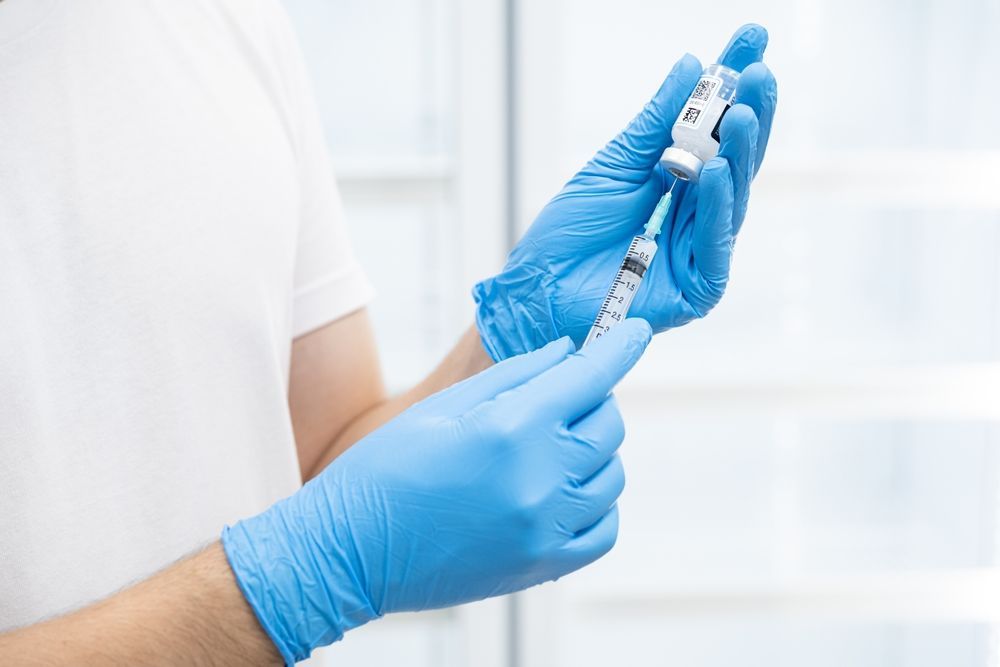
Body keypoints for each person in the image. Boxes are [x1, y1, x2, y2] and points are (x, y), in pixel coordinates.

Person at [0, 1, 777, 664]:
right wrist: (296, 579)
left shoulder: (225, 23)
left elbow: (324, 462)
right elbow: (320, 539)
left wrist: (513, 339)